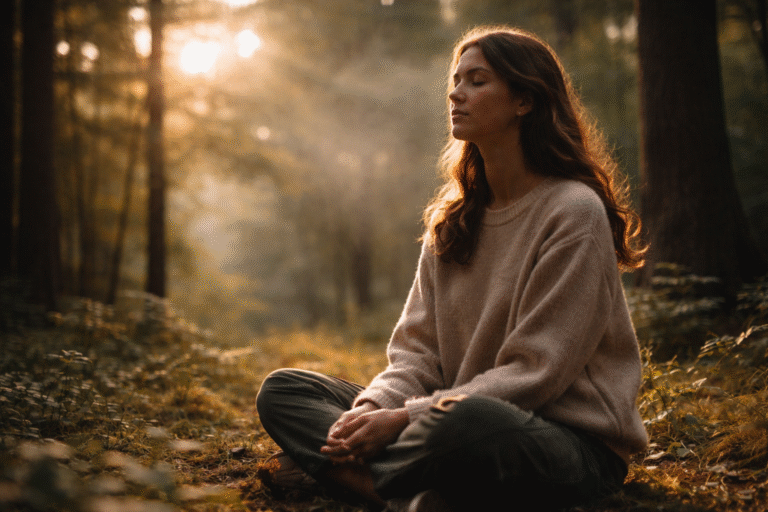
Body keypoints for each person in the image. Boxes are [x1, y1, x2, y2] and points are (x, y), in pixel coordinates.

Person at [256, 25, 648, 512]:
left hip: (559, 441)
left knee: (467, 422)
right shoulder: (453, 219)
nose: (456, 94)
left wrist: (401, 422)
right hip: (445, 420)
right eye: (455, 81)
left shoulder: (573, 211)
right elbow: (417, 355)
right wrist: (372, 412)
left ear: (524, 100)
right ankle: (408, 490)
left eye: (476, 81)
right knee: (286, 390)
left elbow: (535, 373)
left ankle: (360, 480)